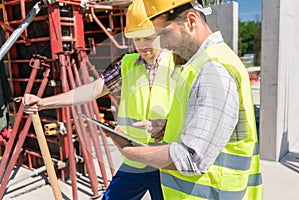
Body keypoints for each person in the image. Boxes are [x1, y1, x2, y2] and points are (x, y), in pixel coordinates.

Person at [107, 0, 263, 199]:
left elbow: (190, 158)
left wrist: (131, 151)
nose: (161, 44)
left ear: (191, 21)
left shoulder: (213, 69)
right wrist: (170, 125)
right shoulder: (200, 64)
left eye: (164, 34)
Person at [23, 0, 175, 199]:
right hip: (135, 160)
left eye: (148, 37)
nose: (143, 46)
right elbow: (94, 90)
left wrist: (167, 124)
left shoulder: (178, 64)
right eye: (137, 39)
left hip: (165, 162)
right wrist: (43, 103)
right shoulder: (127, 64)